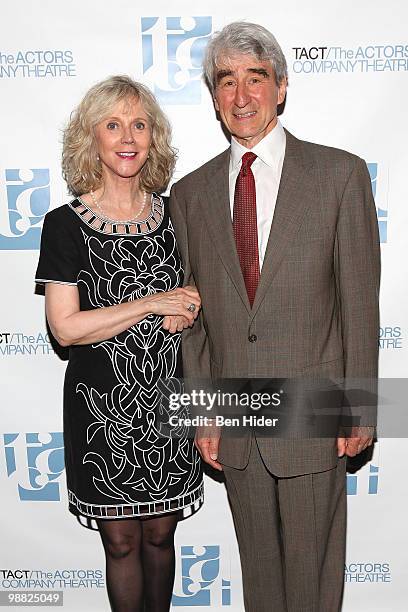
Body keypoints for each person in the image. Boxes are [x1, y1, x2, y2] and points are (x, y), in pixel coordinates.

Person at [170, 22, 380, 612]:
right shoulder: (189, 194)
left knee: (314, 585)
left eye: (254, 79)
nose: (240, 95)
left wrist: (361, 407)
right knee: (259, 582)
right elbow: (197, 322)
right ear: (213, 97)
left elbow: (361, 302)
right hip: (235, 422)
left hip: (315, 414)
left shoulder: (340, 175)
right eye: (226, 81)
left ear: (281, 88)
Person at [35, 75, 203, 612]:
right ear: (93, 138)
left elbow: (206, 291)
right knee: (123, 541)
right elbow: (66, 327)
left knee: (160, 535)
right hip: (101, 416)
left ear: (153, 137)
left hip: (169, 408)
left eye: (139, 124)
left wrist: (192, 299)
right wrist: (152, 303)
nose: (127, 137)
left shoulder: (180, 216)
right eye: (112, 125)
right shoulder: (63, 226)